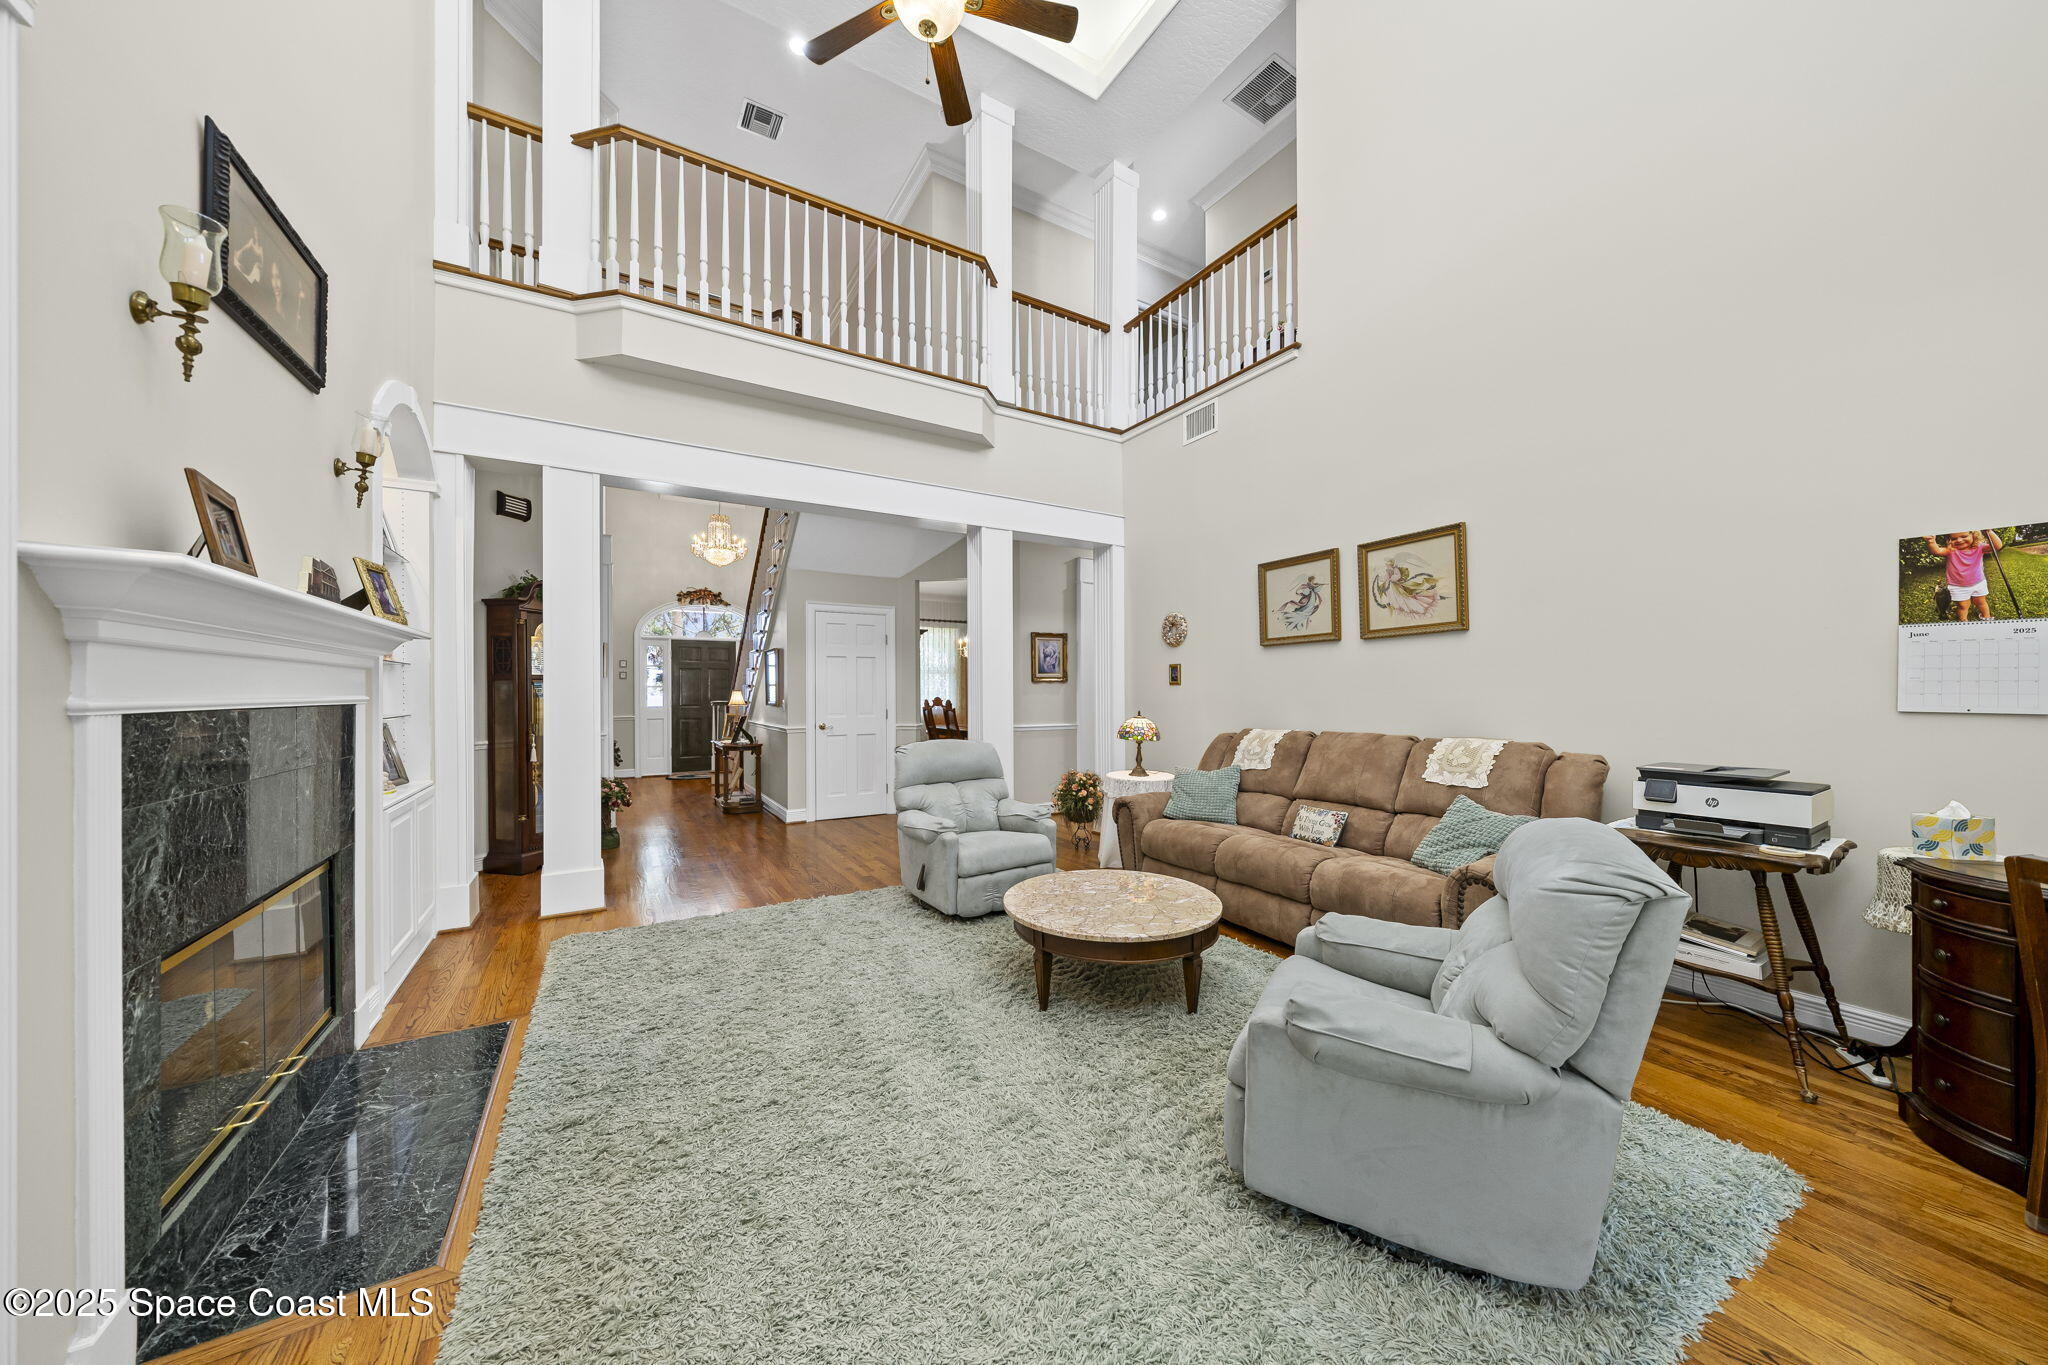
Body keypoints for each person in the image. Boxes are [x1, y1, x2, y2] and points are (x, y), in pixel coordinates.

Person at [1925, 529, 2003, 621]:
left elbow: (1997, 546)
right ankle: (1963, 621)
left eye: (1964, 536)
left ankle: (1987, 617)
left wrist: (1989, 532)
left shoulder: (1979, 547)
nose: (1959, 540)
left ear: (1973, 535)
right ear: (1949, 540)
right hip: (1958, 586)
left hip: (1978, 583)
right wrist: (1931, 541)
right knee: (1963, 606)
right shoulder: (1951, 550)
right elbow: (1936, 551)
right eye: (1954, 538)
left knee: (1981, 602)